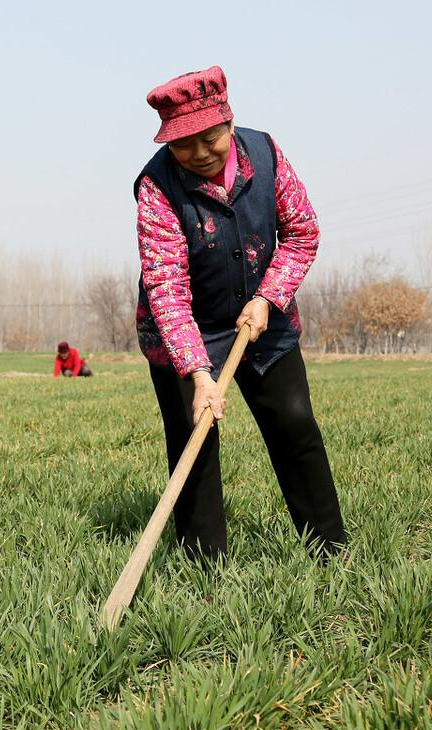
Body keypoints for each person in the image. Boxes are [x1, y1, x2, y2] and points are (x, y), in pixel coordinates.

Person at [134, 66, 346, 562]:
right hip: (185, 333)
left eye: (211, 138)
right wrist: (199, 374)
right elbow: (166, 289)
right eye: (184, 145)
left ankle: (330, 550)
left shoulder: (267, 155)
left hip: (264, 323)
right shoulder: (156, 187)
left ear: (229, 123)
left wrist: (269, 296)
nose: (200, 153)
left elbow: (302, 233)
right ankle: (204, 567)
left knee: (294, 423)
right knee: (195, 442)